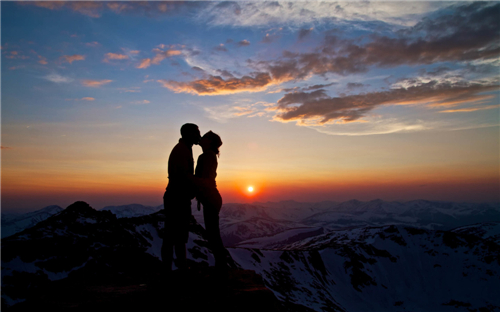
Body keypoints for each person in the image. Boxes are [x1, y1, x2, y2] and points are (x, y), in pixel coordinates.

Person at [161, 123, 201, 273]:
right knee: (174, 235)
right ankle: (175, 269)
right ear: (189, 134)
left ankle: (174, 269)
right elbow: (184, 176)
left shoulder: (184, 149)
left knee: (175, 235)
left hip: (177, 196)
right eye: (197, 132)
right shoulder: (182, 151)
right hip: (177, 197)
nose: (199, 135)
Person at [195, 131, 229, 271]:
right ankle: (221, 266)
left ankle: (222, 267)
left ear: (209, 142)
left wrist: (189, 179)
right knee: (212, 233)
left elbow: (207, 179)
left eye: (205, 137)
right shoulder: (208, 155)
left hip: (210, 197)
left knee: (213, 234)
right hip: (211, 198)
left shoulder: (207, 156)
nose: (201, 138)